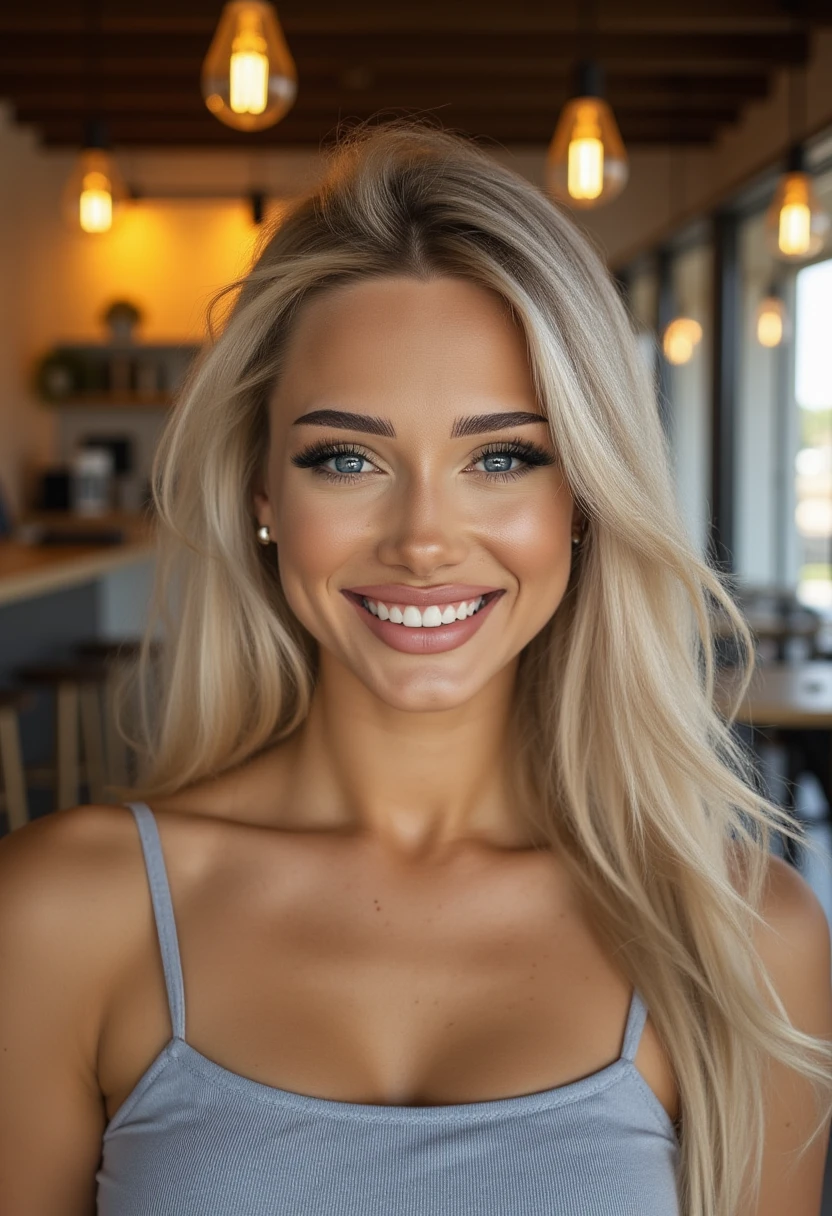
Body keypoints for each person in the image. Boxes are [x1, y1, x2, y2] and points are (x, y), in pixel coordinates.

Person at [1, 119, 831, 1216]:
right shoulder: (65, 912)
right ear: (264, 495)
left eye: (502, 457)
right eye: (346, 458)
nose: (423, 537)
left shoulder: (738, 937)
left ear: (581, 499)